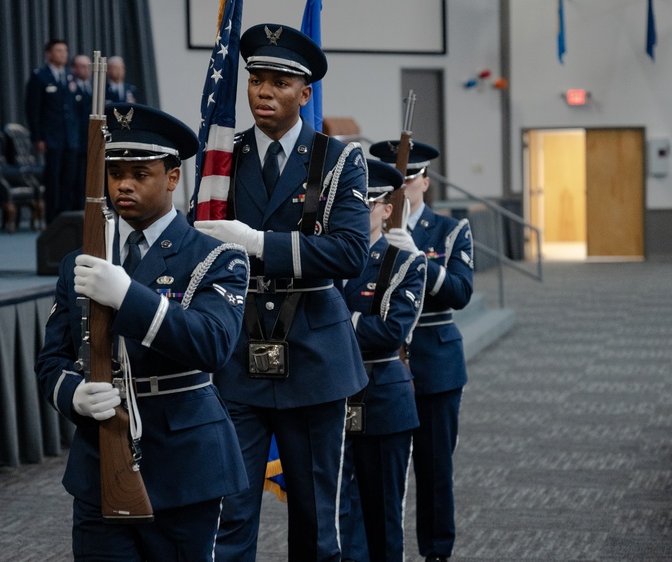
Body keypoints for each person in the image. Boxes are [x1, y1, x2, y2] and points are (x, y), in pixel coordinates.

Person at [35, 102, 250, 561]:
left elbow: (213, 344)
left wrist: (129, 297)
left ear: (173, 177)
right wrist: (72, 393)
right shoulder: (81, 260)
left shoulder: (216, 256)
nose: (123, 185)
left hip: (184, 458)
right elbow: (51, 359)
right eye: (114, 173)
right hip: (100, 459)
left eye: (140, 172)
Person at [194, 23, 370, 561]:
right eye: (254, 81)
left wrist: (257, 242)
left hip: (315, 354)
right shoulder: (222, 159)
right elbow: (194, 239)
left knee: (318, 521)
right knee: (228, 512)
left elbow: (349, 253)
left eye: (278, 83)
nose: (263, 93)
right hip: (238, 352)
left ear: (304, 93)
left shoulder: (337, 160)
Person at [370, 140, 474, 562]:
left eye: (409, 178)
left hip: (433, 359)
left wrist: (417, 258)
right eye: (393, 179)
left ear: (425, 182)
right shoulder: (370, 233)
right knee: (380, 472)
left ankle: (435, 552)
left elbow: (461, 292)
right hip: (383, 364)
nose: (402, 186)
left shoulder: (449, 230)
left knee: (433, 469)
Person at [338, 160, 425, 562]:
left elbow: (390, 332)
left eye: (368, 204)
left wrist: (334, 323)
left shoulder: (404, 262)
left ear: (387, 210)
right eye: (351, 203)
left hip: (382, 396)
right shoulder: (328, 262)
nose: (359, 212)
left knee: (383, 508)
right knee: (336, 508)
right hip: (331, 393)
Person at [25, 39, 79, 224]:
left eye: (65, 50)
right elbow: (33, 110)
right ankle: (52, 221)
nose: (63, 54)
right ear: (48, 54)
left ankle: (66, 219)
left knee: (69, 179)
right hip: (51, 138)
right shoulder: (40, 76)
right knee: (53, 180)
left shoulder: (70, 77)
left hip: (70, 138)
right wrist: (38, 137)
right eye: (58, 50)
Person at [71, 54, 93, 202]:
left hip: (91, 139)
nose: (86, 70)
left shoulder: (93, 88)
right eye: (83, 66)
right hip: (76, 141)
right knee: (76, 178)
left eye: (88, 67)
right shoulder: (70, 87)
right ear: (74, 68)